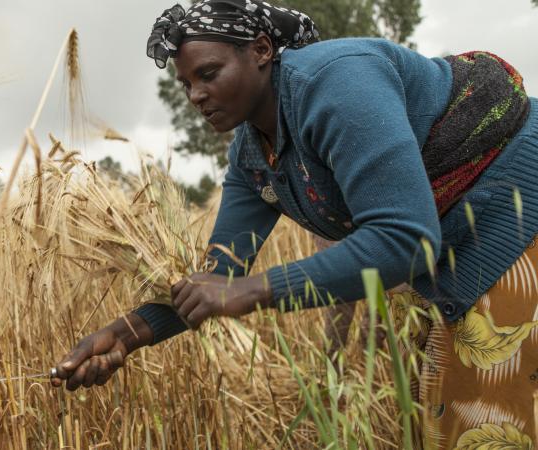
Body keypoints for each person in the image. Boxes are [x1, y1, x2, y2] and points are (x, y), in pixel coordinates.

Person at [51, 1, 538, 448]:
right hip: (451, 261)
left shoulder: (338, 85)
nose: (195, 95)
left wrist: (256, 290)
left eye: (208, 73)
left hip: (517, 225)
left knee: (494, 424)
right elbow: (219, 276)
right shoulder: (251, 155)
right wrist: (128, 334)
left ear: (262, 50)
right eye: (185, 84)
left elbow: (406, 239)